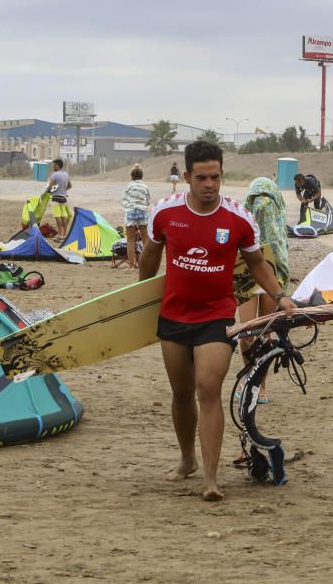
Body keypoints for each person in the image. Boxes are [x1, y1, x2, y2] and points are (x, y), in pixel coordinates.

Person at [139, 140, 294, 502]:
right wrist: (140, 298)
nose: (210, 184)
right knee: (180, 394)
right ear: (188, 177)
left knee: (207, 389)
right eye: (203, 177)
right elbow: (150, 258)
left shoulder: (239, 218)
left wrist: (281, 294)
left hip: (216, 314)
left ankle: (211, 478)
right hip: (174, 314)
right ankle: (187, 460)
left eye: (216, 177)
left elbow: (257, 262)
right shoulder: (164, 212)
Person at [237, 177, 290, 404]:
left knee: (265, 331)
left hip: (272, 277)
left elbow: (279, 251)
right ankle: (250, 379)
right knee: (248, 331)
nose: (262, 204)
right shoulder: (242, 221)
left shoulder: (278, 224)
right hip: (247, 275)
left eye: (266, 197)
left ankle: (260, 385)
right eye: (257, 198)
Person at [119, 164, 151, 269]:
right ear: (142, 176)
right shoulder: (145, 186)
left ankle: (131, 266)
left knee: (130, 240)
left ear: (132, 176)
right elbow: (148, 201)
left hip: (131, 211)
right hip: (142, 212)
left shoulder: (128, 186)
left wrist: (129, 207)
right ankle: (146, 264)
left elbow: (123, 200)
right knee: (145, 239)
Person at [46, 158, 72, 239]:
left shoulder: (54, 175)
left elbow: (49, 187)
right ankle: (64, 235)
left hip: (55, 199)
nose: (53, 167)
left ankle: (60, 235)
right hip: (63, 199)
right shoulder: (66, 174)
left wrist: (48, 191)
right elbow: (70, 186)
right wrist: (63, 190)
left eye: (54, 165)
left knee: (58, 217)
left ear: (57, 165)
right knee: (63, 216)